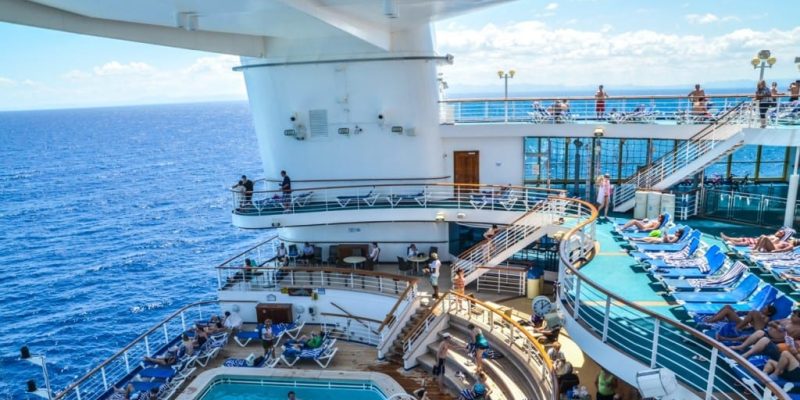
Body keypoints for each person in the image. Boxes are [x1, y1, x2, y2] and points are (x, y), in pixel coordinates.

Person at [731, 309, 800, 359]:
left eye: (794, 316)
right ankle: (741, 347)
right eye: (792, 314)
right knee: (760, 332)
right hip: (766, 332)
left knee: (762, 336)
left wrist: (771, 340)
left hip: (773, 340)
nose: (792, 316)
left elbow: (786, 340)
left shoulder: (798, 330)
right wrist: (777, 326)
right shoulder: (787, 320)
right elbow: (771, 322)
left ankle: (745, 354)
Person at [703, 304, 776, 342]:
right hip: (743, 322)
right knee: (727, 307)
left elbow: (760, 327)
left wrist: (754, 317)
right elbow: (745, 314)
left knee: (753, 312)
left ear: (769, 313)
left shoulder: (766, 318)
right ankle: (711, 319)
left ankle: (709, 321)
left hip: (748, 327)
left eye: (765, 308)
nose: (763, 308)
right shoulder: (758, 313)